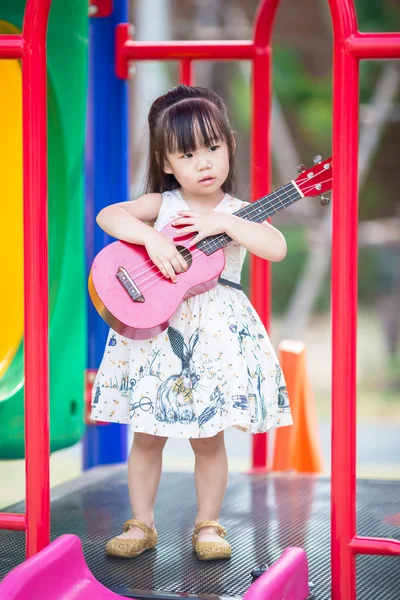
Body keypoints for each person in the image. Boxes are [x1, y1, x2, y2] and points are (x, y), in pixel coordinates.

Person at [91, 85, 292, 561]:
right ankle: (141, 522)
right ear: (166, 162)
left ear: (230, 147)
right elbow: (108, 215)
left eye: (213, 148)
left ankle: (209, 524)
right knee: (147, 435)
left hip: (215, 340)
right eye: (188, 154)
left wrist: (225, 226)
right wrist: (153, 240)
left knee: (208, 438)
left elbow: (277, 248)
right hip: (159, 335)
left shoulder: (240, 213)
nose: (204, 163)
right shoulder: (163, 206)